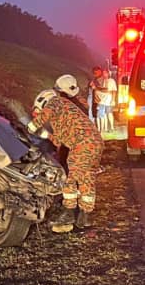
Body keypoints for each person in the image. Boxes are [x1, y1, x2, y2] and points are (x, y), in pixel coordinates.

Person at [28, 88, 104, 232]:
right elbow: (59, 140)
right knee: (85, 178)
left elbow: (46, 113)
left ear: (44, 101)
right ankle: (85, 216)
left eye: (39, 109)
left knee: (69, 177)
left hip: (82, 144)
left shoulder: (56, 101)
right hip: (95, 143)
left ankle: (68, 212)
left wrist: (32, 125)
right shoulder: (64, 114)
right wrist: (45, 134)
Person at [90, 68, 118, 133]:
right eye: (103, 73)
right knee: (103, 114)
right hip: (103, 101)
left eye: (105, 73)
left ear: (108, 74)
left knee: (109, 113)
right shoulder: (104, 81)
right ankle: (104, 128)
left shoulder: (111, 81)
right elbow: (101, 89)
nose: (104, 74)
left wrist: (113, 100)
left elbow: (113, 91)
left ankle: (112, 127)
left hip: (109, 100)